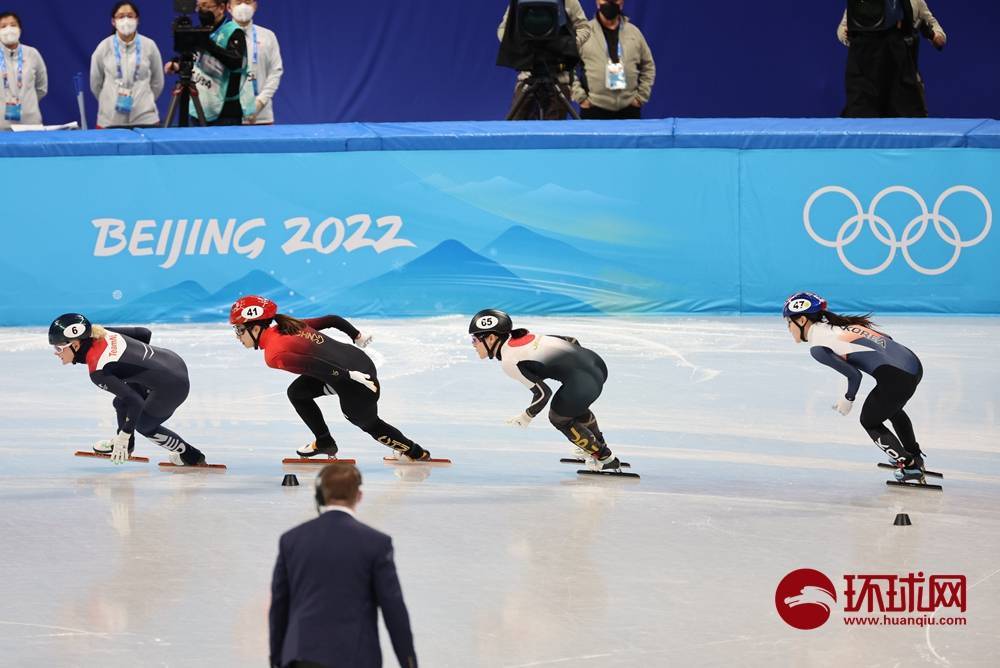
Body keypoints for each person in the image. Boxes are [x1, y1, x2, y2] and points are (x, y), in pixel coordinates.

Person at [229, 296, 431, 461]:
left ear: (256, 328)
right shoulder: (286, 326)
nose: (238, 336)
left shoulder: (274, 354)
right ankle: (324, 441)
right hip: (356, 362)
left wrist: (349, 375)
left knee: (369, 424)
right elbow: (332, 320)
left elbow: (315, 366)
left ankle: (416, 452)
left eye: (239, 329)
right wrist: (357, 335)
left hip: (356, 382)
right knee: (297, 393)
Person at [269, 464, 418, 668]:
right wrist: (409, 663)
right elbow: (394, 610)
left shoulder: (292, 540)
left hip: (301, 657)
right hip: (355, 658)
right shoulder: (376, 543)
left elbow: (279, 607)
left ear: (320, 495)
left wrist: (277, 659)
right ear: (359, 495)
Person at [782, 292, 927, 483]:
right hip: (912, 364)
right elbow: (886, 337)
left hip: (898, 377)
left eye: (788, 323)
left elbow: (854, 375)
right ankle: (913, 454)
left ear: (801, 320)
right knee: (892, 409)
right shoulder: (839, 325)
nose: (788, 328)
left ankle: (908, 466)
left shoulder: (818, 346)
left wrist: (848, 398)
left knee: (869, 421)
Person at [469, 309, 623, 472]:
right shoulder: (526, 337)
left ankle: (604, 457)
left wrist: (527, 415)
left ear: (491, 338)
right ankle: (593, 445)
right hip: (596, 363)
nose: (473, 345)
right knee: (573, 408)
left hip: (584, 381)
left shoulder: (509, 360)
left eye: (474, 339)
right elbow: (572, 340)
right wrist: (575, 366)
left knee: (558, 417)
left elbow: (543, 394)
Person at [48, 313, 207, 466]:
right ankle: (127, 446)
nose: (56, 352)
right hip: (173, 361)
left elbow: (135, 402)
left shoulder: (98, 369)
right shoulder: (101, 333)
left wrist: (124, 435)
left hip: (173, 386)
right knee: (121, 402)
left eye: (59, 347)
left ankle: (190, 455)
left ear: (75, 344)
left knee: (144, 425)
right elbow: (144, 334)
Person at [837, 0, 945, 111]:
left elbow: (936, 31)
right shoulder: (862, 2)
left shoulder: (915, 2)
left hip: (906, 75)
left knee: (912, 119)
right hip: (870, 76)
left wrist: (933, 35)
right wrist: (849, 35)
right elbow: (842, 29)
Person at [497, 0, 591, 120]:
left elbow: (584, 28)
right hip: (527, 76)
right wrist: (520, 45)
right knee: (518, 128)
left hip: (559, 78)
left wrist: (568, 45)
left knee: (553, 134)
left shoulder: (568, 1)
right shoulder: (519, 1)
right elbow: (503, 30)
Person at [164, 0, 253, 125]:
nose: (202, 11)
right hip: (199, 106)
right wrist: (178, 65)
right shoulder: (202, 30)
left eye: (206, 6)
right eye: (199, 6)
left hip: (225, 113)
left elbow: (236, 63)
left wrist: (208, 45)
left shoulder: (233, 32)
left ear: (221, 8)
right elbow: (196, 59)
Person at [572, 0, 655, 120]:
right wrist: (581, 98)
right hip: (593, 110)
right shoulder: (584, 34)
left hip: (629, 110)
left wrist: (641, 97)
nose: (609, 3)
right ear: (597, 2)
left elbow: (648, 66)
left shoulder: (634, 33)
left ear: (621, 3)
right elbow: (568, 66)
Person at [90, 2, 165, 129]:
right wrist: (109, 101)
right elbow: (96, 84)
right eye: (121, 16)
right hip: (110, 120)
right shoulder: (104, 47)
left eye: (130, 16)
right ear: (113, 22)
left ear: (137, 20)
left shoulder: (149, 45)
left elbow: (157, 82)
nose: (126, 20)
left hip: (145, 119)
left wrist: (144, 101)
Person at [228, 0, 283, 124]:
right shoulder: (220, 36)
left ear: (255, 6)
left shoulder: (268, 36)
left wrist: (260, 102)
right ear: (228, 7)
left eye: (247, 2)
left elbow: (275, 72)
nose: (243, 6)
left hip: (262, 116)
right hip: (228, 117)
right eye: (238, 2)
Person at [0, 11, 47, 130]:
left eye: (13, 25)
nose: (9, 29)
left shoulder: (32, 54)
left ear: (20, 29)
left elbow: (41, 88)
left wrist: (27, 103)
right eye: (3, 26)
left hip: (31, 124)